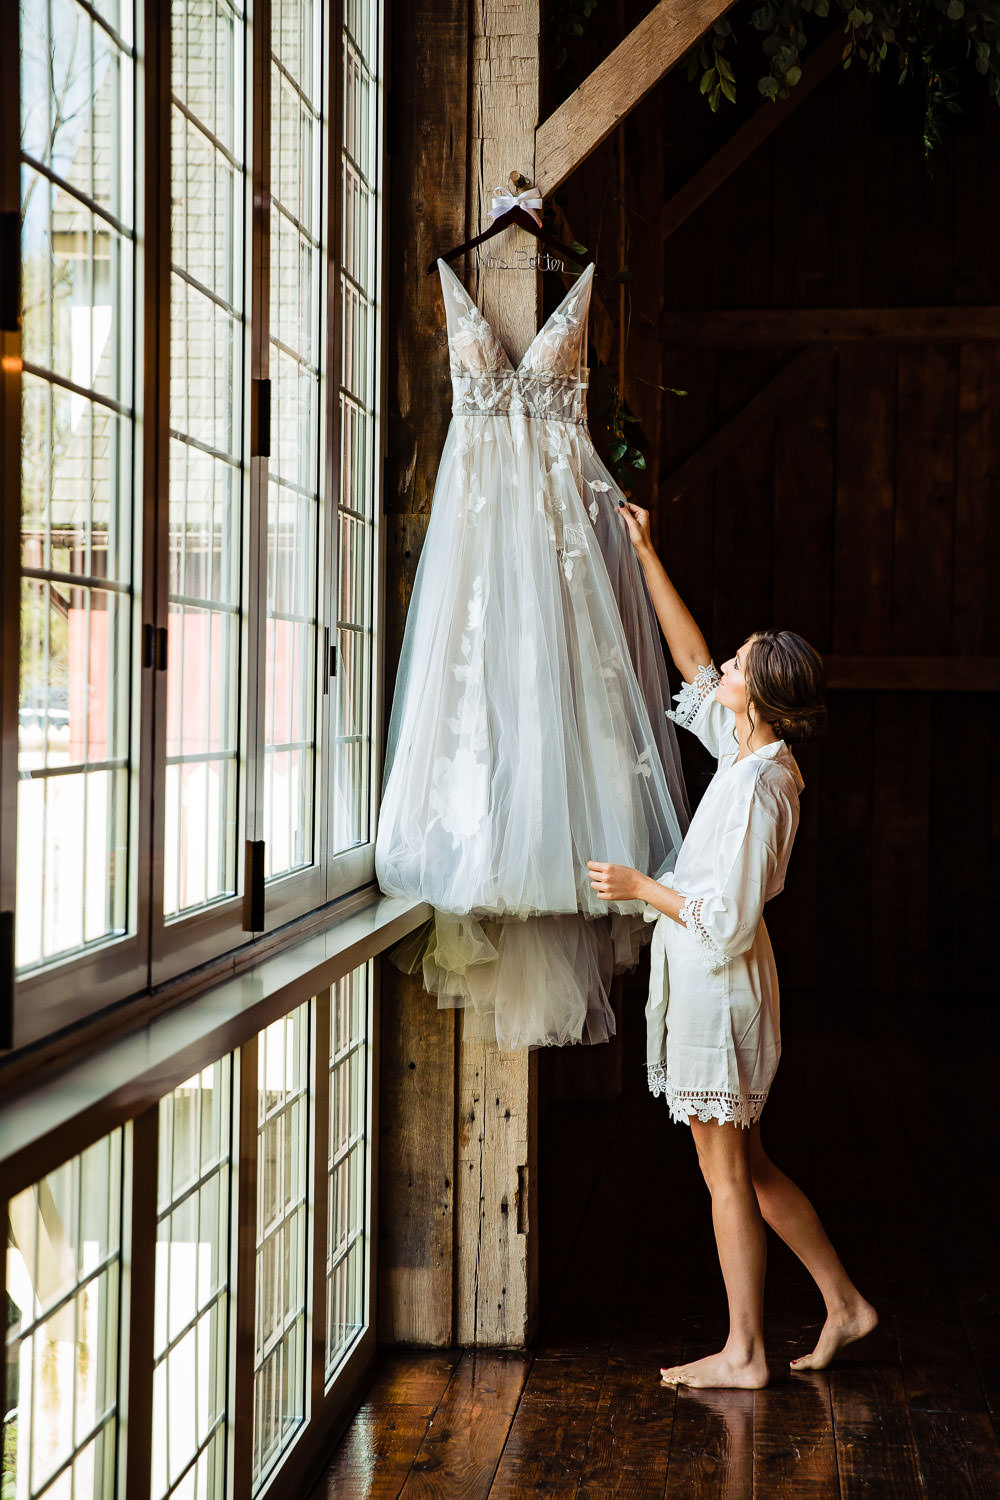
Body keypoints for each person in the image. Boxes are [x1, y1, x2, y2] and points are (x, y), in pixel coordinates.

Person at [587, 501, 877, 1390]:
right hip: (718, 988)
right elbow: (689, 658)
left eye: (742, 665)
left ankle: (745, 1352)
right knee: (745, 1162)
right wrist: (644, 550)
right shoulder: (748, 753)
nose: (726, 668)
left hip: (725, 988)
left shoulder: (759, 788)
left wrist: (641, 888)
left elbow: (728, 920)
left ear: (761, 698)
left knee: (725, 1175)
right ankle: (845, 1304)